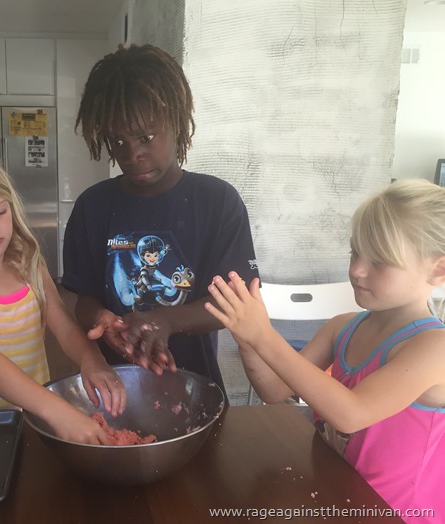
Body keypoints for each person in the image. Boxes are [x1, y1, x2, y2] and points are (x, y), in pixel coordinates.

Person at [205, 179, 445, 522]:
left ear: (438, 270)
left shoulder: (435, 348)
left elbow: (352, 413)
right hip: (337, 496)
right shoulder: (342, 327)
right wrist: (249, 342)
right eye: (355, 252)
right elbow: (274, 390)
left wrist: (265, 337)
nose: (357, 269)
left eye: (379, 260)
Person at [62, 43, 260, 393]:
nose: (132, 154)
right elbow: (82, 298)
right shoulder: (92, 207)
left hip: (196, 388)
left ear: (177, 123)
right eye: (117, 141)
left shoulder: (217, 202)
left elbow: (233, 300)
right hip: (113, 390)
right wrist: (100, 319)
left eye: (146, 137)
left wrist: (163, 321)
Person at [0, 149, 126, 445]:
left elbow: (65, 327)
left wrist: (91, 358)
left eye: (0, 211)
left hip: (30, 417)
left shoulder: (29, 267)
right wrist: (58, 411)